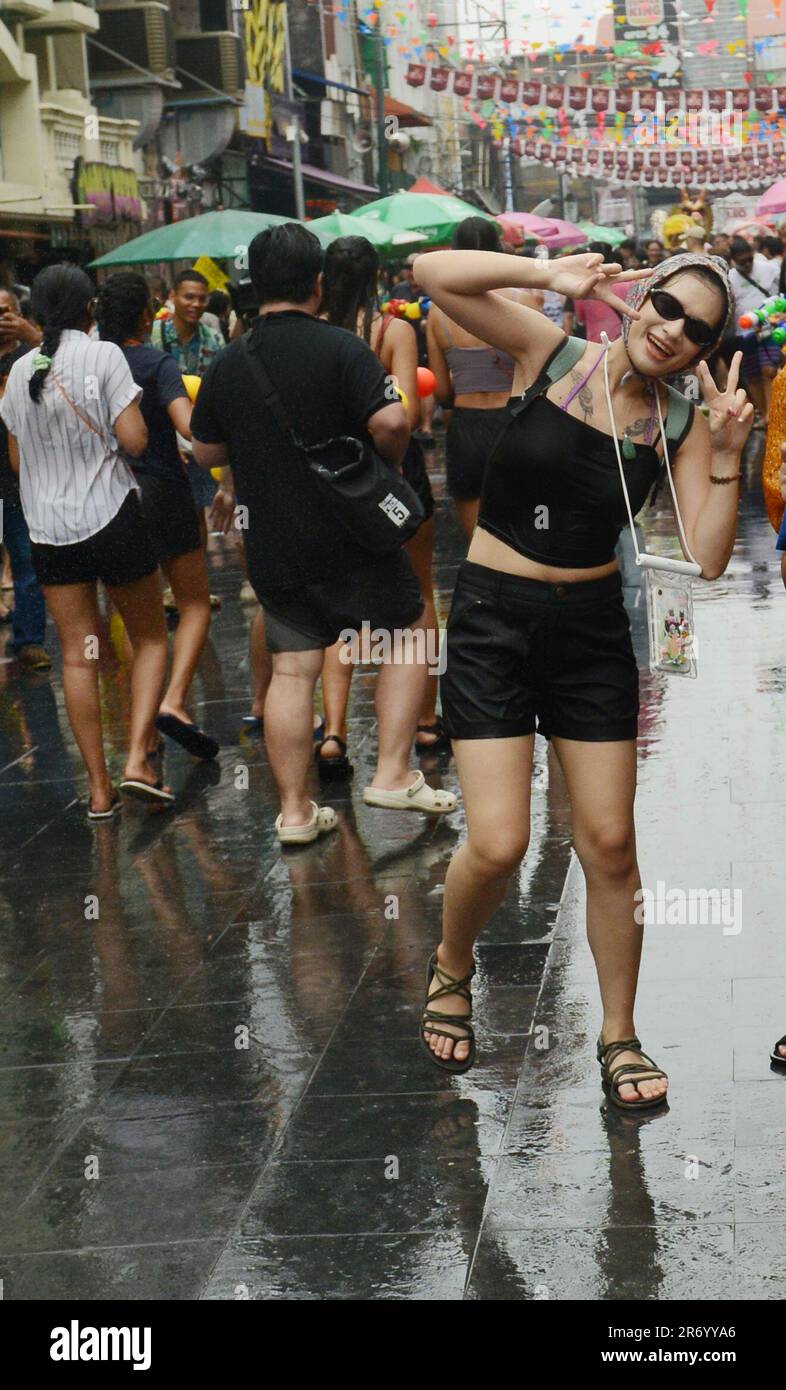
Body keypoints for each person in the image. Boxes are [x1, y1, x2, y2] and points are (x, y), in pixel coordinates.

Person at [414, 246, 751, 1102]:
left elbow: (707, 561)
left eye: (698, 332)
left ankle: (620, 1033)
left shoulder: (677, 422)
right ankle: (454, 966)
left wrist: (727, 449)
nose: (674, 333)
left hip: (592, 635)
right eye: (666, 307)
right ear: (640, 297)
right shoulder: (554, 352)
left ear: (708, 352)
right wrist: (550, 278)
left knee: (608, 844)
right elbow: (433, 273)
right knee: (499, 842)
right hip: (493, 620)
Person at [190, 223, 457, 844]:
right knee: (411, 629)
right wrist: (383, 463)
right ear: (316, 282)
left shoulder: (231, 360)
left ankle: (295, 812)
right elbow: (394, 419)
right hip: (350, 532)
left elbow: (205, 452)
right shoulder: (341, 349)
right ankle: (392, 771)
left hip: (275, 542)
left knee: (292, 670)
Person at [0, 264, 173, 816]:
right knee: (148, 639)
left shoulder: (19, 372)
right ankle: (137, 761)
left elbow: (16, 460)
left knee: (79, 655)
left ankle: (98, 792)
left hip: (50, 533)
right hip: (113, 517)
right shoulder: (104, 357)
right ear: (88, 308)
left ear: (34, 313)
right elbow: (136, 440)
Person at [317, 234, 444, 769]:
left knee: (337, 604)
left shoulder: (315, 333)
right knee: (420, 593)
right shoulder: (393, 330)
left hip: (332, 477)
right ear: (375, 280)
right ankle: (427, 722)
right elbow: (408, 416)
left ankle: (335, 731)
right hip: (392, 479)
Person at [95, 272, 218, 761]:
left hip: (109, 502)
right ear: (147, 316)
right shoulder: (156, 362)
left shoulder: (93, 365)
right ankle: (173, 700)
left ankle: (142, 726)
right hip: (165, 494)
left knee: (137, 624)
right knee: (194, 604)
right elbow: (187, 425)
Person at [428, 216, 541, 540]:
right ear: (497, 250)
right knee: (524, 532)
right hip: (515, 423)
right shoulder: (524, 300)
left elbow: (441, 389)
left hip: (466, 428)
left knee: (478, 543)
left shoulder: (438, 312)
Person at [150, 268, 226, 557]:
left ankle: (199, 582)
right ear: (173, 297)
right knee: (163, 515)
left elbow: (217, 394)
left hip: (197, 437)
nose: (196, 304)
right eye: (189, 297)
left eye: (201, 299)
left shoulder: (212, 339)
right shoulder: (154, 335)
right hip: (160, 437)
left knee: (197, 511)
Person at [0, 289, 50, 671]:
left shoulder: (34, 357)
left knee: (27, 561)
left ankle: (30, 640)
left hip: (20, 483)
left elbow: (63, 368)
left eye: (7, 312)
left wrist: (34, 336)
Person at [729, 236, 777, 424]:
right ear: (733, 260)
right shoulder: (730, 277)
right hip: (744, 333)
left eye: (750, 259)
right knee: (752, 374)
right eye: (743, 261)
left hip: (769, 328)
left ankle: (773, 415)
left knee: (769, 371)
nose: (748, 264)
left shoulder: (768, 269)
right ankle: (765, 413)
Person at [573, 242, 630, 344]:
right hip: (623, 341)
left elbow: (580, 318)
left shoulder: (583, 287)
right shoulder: (628, 283)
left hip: (596, 344)